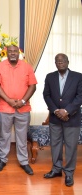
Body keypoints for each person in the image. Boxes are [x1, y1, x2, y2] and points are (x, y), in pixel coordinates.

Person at [0, 44, 37, 175]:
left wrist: (23, 101)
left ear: (18, 53)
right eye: (10, 51)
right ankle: (2, 159)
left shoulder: (27, 66)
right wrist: (8, 100)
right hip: (4, 107)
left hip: (23, 108)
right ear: (6, 53)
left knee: (22, 136)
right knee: (4, 135)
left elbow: (33, 86)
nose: (12, 53)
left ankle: (24, 161)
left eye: (15, 51)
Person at [43, 53, 82, 187]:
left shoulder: (78, 77)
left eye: (62, 61)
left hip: (72, 118)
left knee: (71, 147)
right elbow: (46, 95)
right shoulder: (50, 77)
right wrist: (55, 110)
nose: (60, 63)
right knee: (55, 145)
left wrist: (67, 111)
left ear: (67, 62)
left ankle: (69, 173)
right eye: (57, 61)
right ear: (55, 63)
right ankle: (56, 169)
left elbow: (80, 97)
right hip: (55, 118)